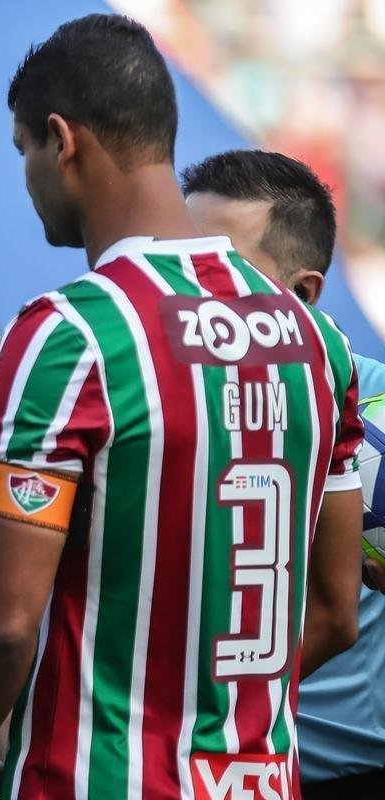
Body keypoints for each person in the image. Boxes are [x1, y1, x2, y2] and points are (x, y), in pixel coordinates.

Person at [0, 15, 364, 800]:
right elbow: (338, 610)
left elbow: (3, 626)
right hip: (261, 782)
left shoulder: (72, 335)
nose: (27, 174)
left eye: (23, 149)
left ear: (61, 141)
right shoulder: (318, 343)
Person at [182, 148, 385, 800]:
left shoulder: (376, 418)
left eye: (220, 270)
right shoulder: (156, 407)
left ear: (303, 294)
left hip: (337, 775)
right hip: (177, 772)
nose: (188, 290)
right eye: (183, 263)